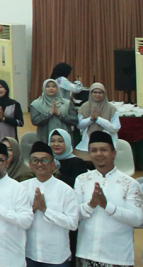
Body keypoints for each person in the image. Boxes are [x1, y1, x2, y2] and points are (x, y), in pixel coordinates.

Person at [73, 131, 143, 267]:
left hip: (118, 257)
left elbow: (137, 219)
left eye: (103, 150)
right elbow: (73, 215)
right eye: (94, 150)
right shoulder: (82, 180)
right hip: (86, 253)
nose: (99, 154)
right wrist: (91, 204)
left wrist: (107, 206)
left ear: (114, 153)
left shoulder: (129, 184)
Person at [21, 141, 79, 267]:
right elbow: (17, 219)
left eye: (44, 160)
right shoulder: (22, 188)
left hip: (56, 257)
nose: (40, 164)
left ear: (53, 165)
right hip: (29, 253)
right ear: (30, 164)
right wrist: (32, 210)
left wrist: (45, 210)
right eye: (35, 160)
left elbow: (73, 223)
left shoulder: (65, 190)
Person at [74, 83, 120, 157]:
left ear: (104, 94)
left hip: (107, 142)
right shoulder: (84, 107)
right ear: (90, 93)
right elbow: (79, 125)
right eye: (95, 92)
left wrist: (98, 119)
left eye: (100, 93)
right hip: (86, 143)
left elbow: (115, 128)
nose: (97, 95)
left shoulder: (111, 108)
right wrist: (91, 119)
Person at [29, 79, 79, 148]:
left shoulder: (67, 103)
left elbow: (74, 121)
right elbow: (35, 121)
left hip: (64, 139)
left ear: (57, 88)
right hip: (44, 138)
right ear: (43, 88)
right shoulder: (36, 104)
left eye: (53, 86)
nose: (51, 88)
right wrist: (49, 113)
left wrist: (59, 114)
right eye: (48, 86)